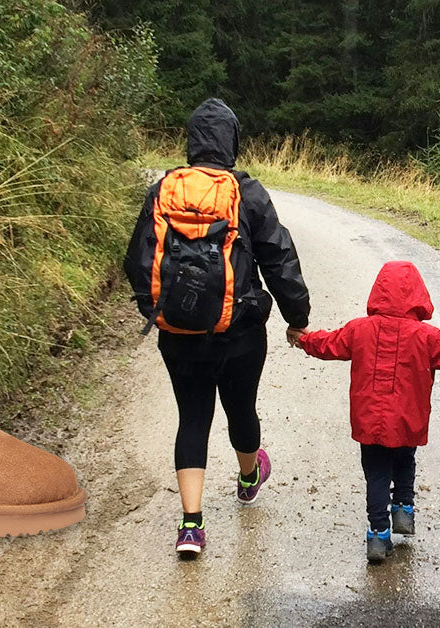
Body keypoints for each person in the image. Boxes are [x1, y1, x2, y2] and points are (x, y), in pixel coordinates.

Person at [124, 98, 311, 559]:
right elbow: (279, 258)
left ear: (191, 142)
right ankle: (249, 477)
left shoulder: (163, 190)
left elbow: (137, 261)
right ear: (232, 142)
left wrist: (160, 310)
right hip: (239, 332)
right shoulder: (247, 193)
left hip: (178, 333)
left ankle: (191, 524)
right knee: (241, 408)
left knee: (192, 417)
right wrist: (297, 317)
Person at [297, 261, 440, 564]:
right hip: (408, 419)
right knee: (405, 459)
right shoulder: (428, 336)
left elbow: (328, 343)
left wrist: (303, 337)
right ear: (418, 295)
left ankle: (378, 533)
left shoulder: (359, 330)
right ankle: (404, 509)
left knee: (376, 472)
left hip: (369, 420)